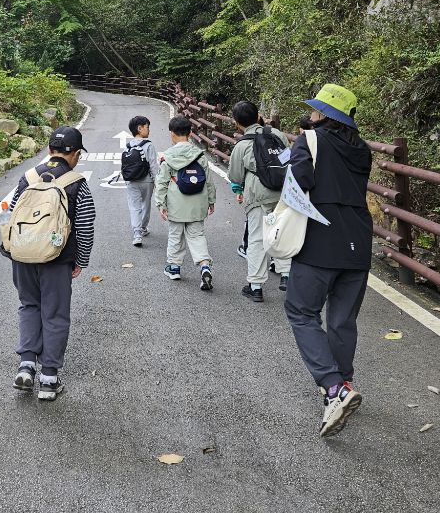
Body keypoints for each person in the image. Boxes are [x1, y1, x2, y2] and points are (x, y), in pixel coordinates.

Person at [283, 84, 373, 437]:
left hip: (320, 240)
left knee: (301, 312)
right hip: (358, 242)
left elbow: (300, 180)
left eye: (315, 108)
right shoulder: (362, 150)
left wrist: (294, 155)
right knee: (342, 320)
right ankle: (344, 384)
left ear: (323, 113)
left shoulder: (308, 140)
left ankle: (334, 388)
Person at [1, 126, 95, 402]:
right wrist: (81, 260)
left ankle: (26, 366)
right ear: (75, 154)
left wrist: (13, 250)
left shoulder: (28, 177)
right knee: (55, 314)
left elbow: (11, 215)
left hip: (23, 256)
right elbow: (85, 226)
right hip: (57, 259)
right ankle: (49, 379)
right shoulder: (77, 182)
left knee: (29, 306)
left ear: (49, 150)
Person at [228, 100, 290, 301]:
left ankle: (256, 286)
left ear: (237, 122)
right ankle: (286, 275)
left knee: (256, 238)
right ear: (258, 117)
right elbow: (288, 160)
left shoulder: (242, 145)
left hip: (257, 195)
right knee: (281, 233)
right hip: (282, 193)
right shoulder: (278, 135)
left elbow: (235, 176)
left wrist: (241, 186)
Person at [155, 116, 216, 291]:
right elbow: (209, 181)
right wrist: (211, 201)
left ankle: (174, 268)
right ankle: (204, 266)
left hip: (176, 204)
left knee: (175, 235)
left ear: (172, 134)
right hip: (198, 202)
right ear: (190, 133)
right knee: (197, 236)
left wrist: (161, 204)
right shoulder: (200, 155)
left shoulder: (168, 156)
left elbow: (162, 183)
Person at [121, 115, 160, 247]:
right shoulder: (149, 145)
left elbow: (125, 166)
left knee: (134, 207)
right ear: (139, 128)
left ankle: (137, 234)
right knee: (145, 205)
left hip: (132, 181)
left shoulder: (127, 147)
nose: (149, 130)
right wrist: (157, 182)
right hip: (147, 181)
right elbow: (153, 166)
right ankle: (143, 228)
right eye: (147, 127)